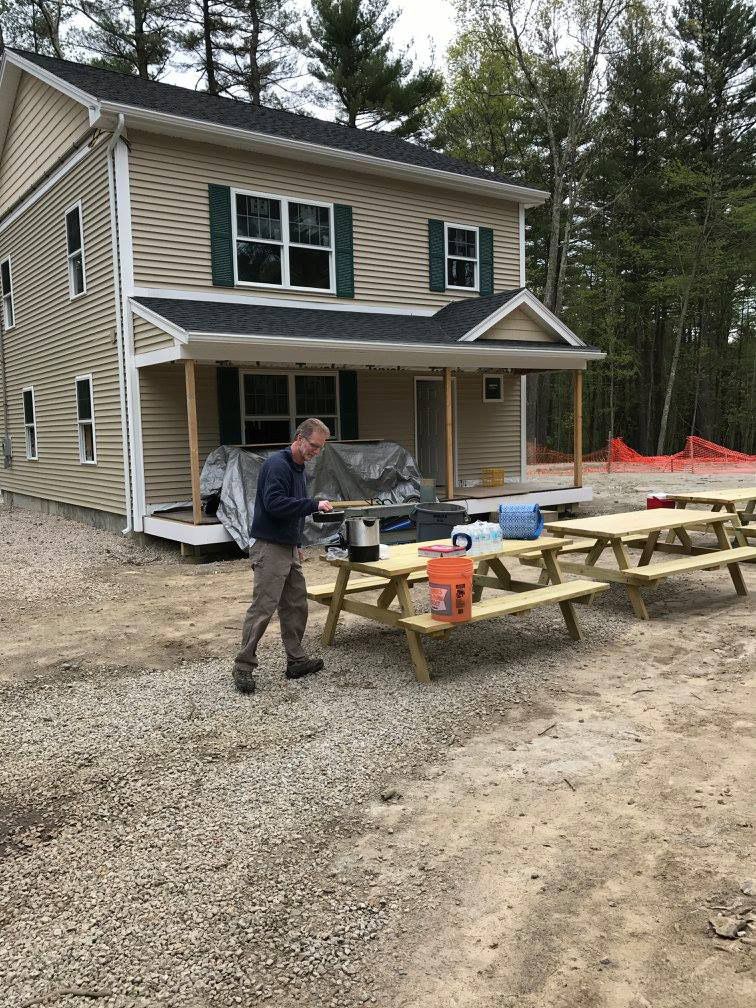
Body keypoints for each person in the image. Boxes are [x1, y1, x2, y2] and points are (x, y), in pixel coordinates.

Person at [232, 418, 334, 694]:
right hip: (269, 546)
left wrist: (297, 542)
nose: (316, 451)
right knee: (264, 606)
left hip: (288, 547)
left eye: (320, 448)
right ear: (299, 438)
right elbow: (276, 504)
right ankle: (243, 666)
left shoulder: (298, 467)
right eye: (314, 445)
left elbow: (292, 512)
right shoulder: (277, 465)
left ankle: (296, 660)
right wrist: (313, 504)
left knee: (295, 604)